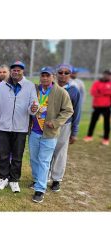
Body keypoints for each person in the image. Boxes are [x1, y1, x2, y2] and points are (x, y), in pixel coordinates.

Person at [0, 60, 39, 193]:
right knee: (4, 155)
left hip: (20, 128)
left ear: (23, 71)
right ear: (11, 71)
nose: (16, 72)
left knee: (17, 156)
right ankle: (3, 178)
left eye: (19, 70)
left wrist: (33, 108)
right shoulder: (2, 85)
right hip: (4, 127)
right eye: (14, 70)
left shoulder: (29, 86)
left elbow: (33, 106)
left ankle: (14, 180)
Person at [29, 67, 74, 203]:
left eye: (47, 76)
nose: (44, 78)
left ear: (53, 77)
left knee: (44, 161)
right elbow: (28, 105)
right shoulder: (35, 90)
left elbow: (68, 111)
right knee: (34, 159)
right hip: (34, 131)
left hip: (50, 133)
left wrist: (55, 122)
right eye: (42, 75)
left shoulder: (61, 92)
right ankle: (37, 180)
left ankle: (40, 189)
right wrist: (31, 109)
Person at [49, 64, 83, 192]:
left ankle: (56, 179)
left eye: (66, 73)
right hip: (49, 124)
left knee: (60, 152)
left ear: (70, 75)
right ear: (56, 74)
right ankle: (43, 177)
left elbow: (77, 112)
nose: (63, 75)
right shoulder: (50, 87)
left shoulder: (74, 90)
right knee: (47, 151)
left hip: (65, 125)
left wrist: (74, 132)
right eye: (60, 72)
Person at [83, 69, 111, 146]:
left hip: (106, 107)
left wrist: (101, 92)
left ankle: (105, 139)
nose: (108, 76)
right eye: (106, 74)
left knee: (106, 123)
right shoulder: (97, 83)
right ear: (104, 75)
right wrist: (106, 92)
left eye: (109, 75)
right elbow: (93, 92)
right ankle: (89, 136)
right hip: (97, 106)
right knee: (93, 122)